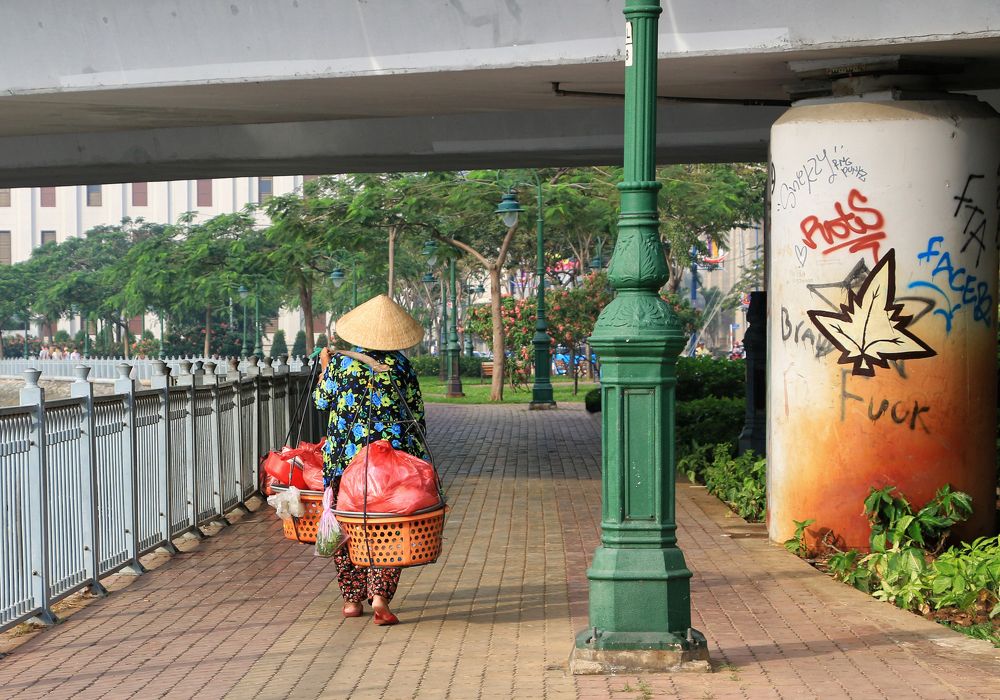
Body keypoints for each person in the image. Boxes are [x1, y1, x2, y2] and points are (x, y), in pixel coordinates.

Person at [313, 294, 428, 627]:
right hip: (390, 462)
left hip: (343, 462)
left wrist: (324, 370)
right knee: (390, 527)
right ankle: (380, 596)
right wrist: (417, 460)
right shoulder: (402, 366)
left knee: (346, 523)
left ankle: (351, 599)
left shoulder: (340, 363)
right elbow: (417, 415)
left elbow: (322, 403)